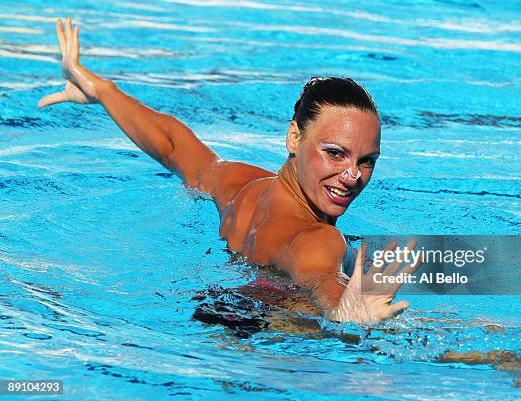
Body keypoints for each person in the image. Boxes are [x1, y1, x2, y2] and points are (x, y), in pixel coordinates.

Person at [39, 19, 421, 324]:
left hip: (220, 310)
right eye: (335, 154)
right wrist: (342, 310)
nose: (353, 175)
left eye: (366, 160)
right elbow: (320, 274)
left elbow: (173, 145)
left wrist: (102, 90)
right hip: (272, 333)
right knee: (453, 351)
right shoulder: (317, 238)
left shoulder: (240, 183)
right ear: (294, 137)